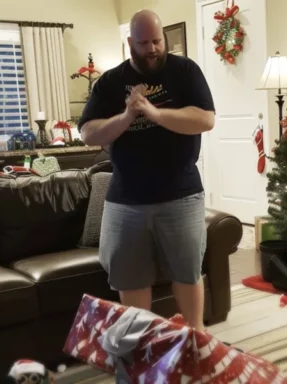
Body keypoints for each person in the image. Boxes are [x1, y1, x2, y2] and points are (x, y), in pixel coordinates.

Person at [78, 9, 215, 332]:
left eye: (156, 41)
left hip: (181, 195)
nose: (152, 49)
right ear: (130, 43)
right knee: (131, 276)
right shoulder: (111, 83)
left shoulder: (185, 71)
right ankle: (141, 347)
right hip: (126, 200)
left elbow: (205, 119)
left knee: (187, 272)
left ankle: (194, 340)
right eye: (143, 43)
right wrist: (127, 116)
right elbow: (88, 134)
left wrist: (153, 112)